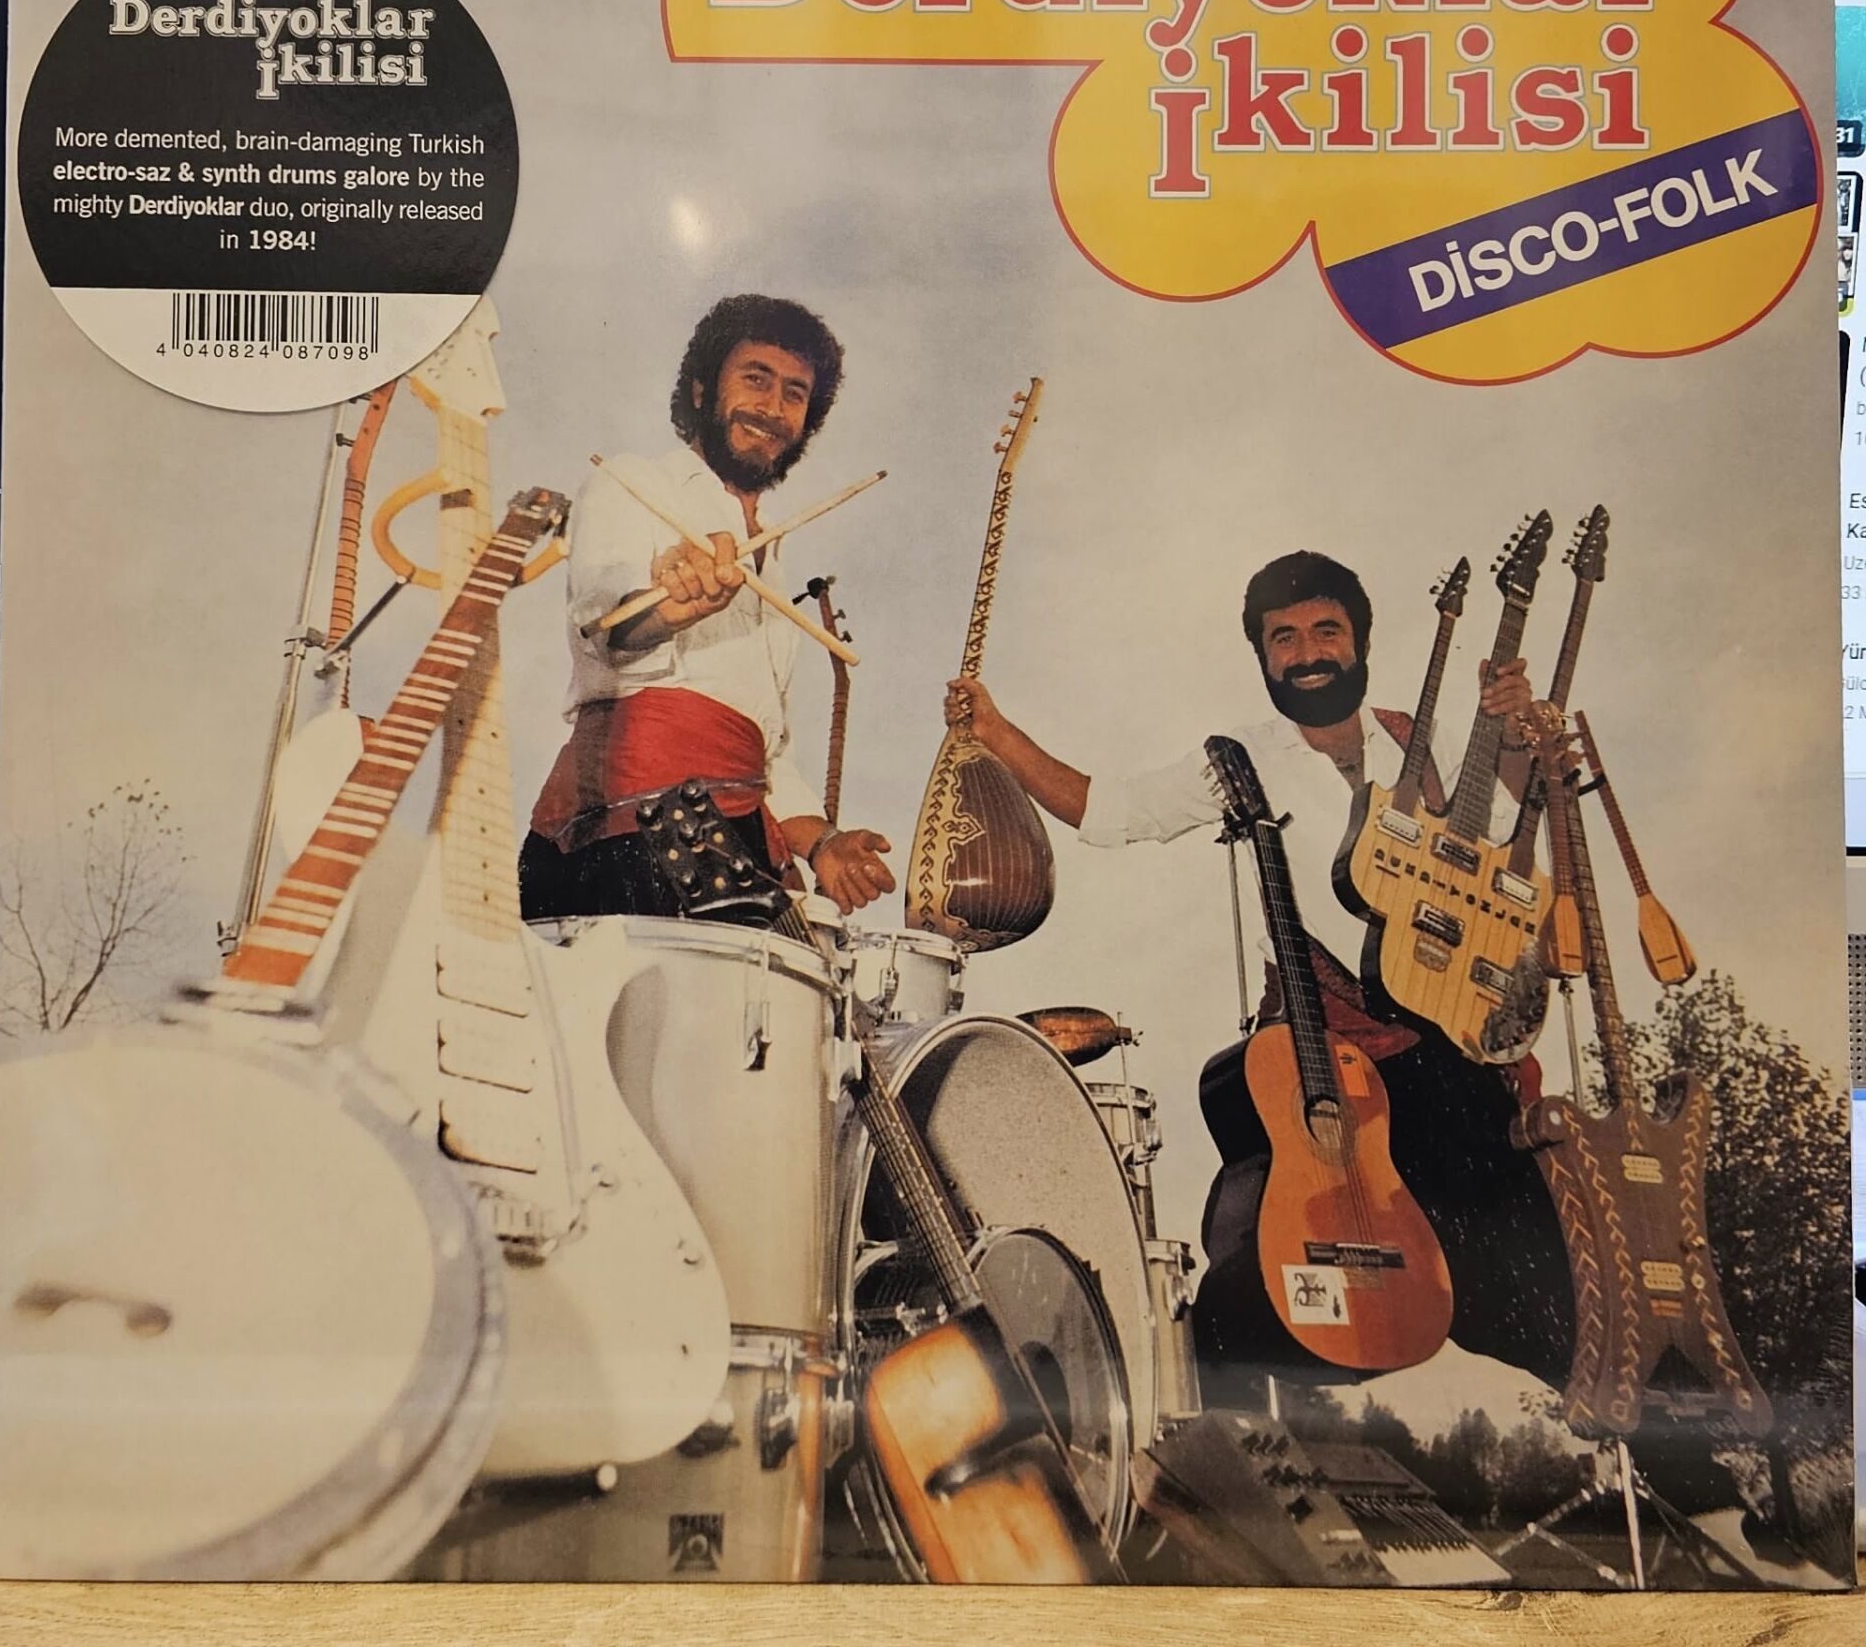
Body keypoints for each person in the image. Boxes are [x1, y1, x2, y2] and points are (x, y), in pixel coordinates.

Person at [944, 548, 1577, 1400]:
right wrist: (994, 732)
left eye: (1326, 631)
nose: (1308, 653)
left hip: (1455, 1062)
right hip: (1342, 1070)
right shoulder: (1240, 758)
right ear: (1264, 657)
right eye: (1285, 638)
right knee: (1269, 1307)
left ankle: (1695, 1460)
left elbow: (1513, 856)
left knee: (1548, 1301)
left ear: (1359, 642)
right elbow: (1112, 808)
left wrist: (1518, 739)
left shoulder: (1419, 743)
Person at [521, 294, 895, 921]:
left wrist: (821, 842)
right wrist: (671, 607)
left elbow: (762, 753)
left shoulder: (772, 552)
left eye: (795, 393)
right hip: (629, 828)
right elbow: (606, 619)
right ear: (701, 390)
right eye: (756, 379)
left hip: (733, 834)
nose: (773, 408)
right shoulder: (632, 481)